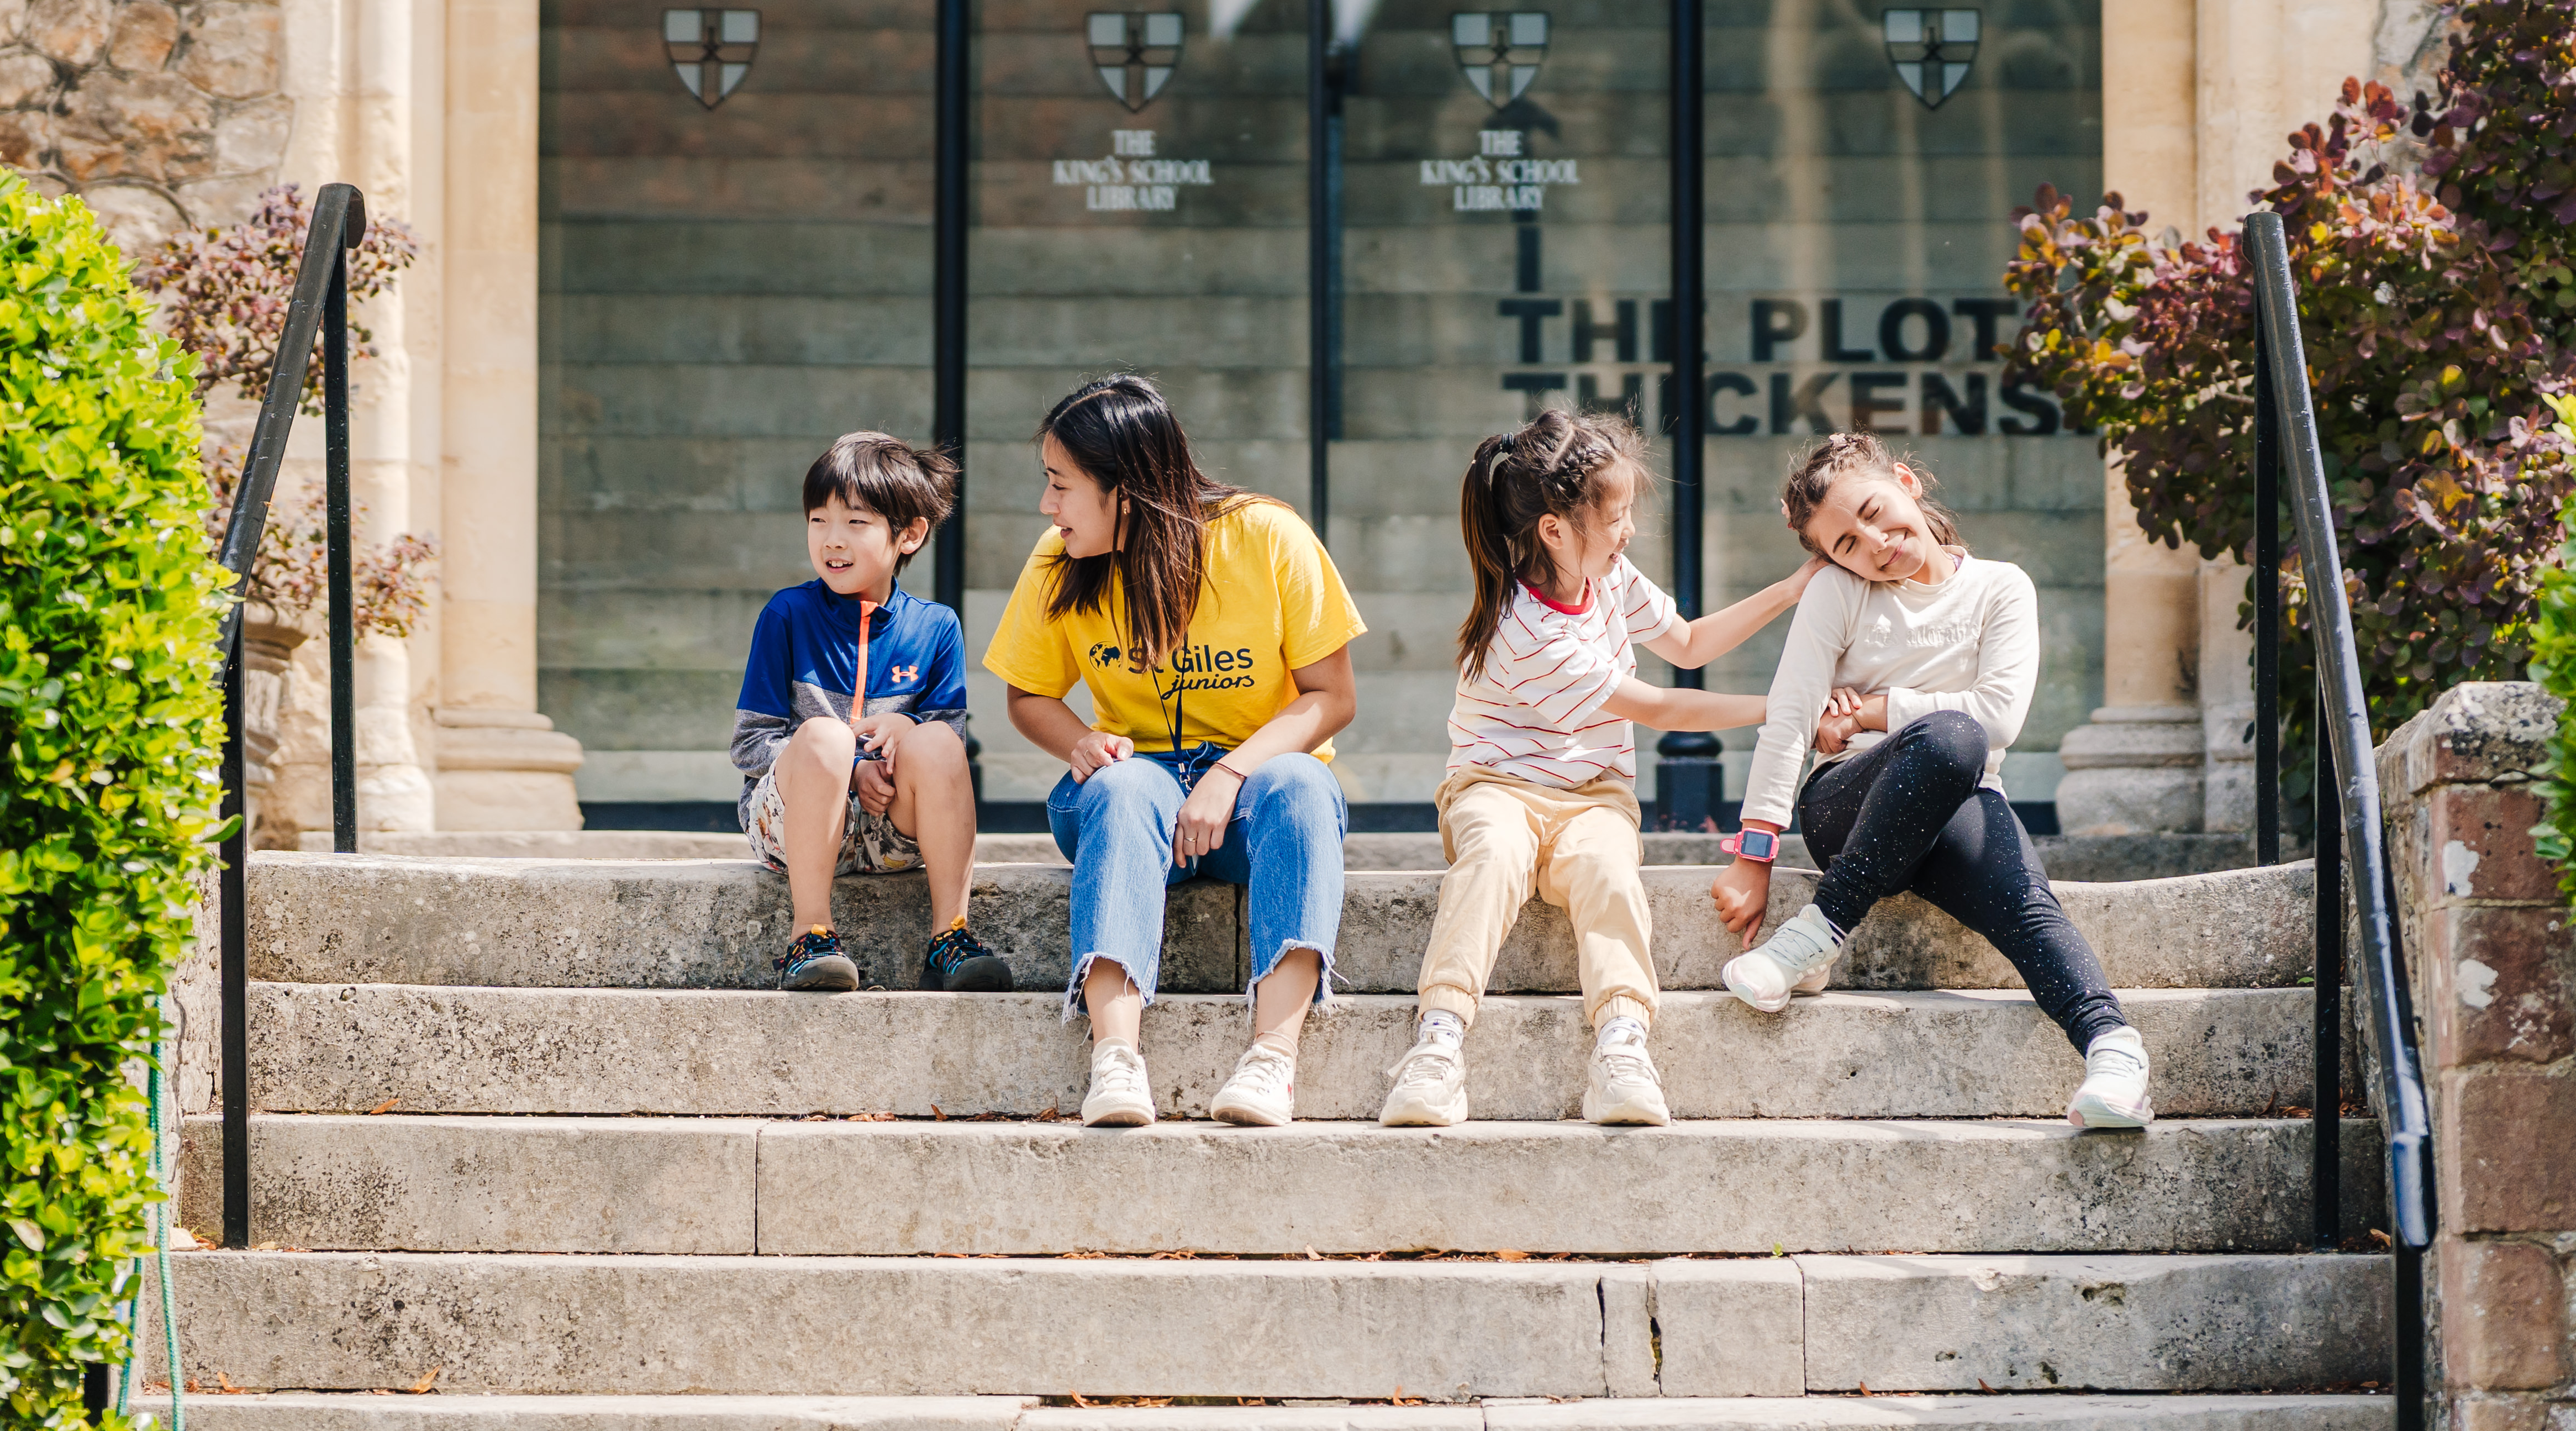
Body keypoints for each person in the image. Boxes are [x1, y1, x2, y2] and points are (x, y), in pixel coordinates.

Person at [1710, 430, 2153, 1132]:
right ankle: (1817, 933)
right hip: (1845, 802)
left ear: (1907, 483)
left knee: (2021, 891)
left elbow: (1999, 717)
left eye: (1873, 511)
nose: (1872, 542)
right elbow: (1791, 717)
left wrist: (1877, 708)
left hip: (1962, 800)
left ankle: (2115, 1056)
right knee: (1952, 734)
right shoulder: (1838, 593)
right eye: (1846, 544)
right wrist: (1754, 851)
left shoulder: (1999, 587)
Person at [1382, 409, 1812, 1129]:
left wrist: (1793, 587)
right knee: (1493, 853)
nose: (1628, 530)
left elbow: (1687, 641)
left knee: (1608, 870)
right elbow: (1664, 708)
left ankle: (1620, 1046)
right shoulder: (1523, 627)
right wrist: (1788, 707)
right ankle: (1438, 1041)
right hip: (1495, 784)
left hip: (1593, 797)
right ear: (1553, 527)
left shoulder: (1607, 574)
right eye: (1615, 515)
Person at [986, 373, 1363, 1129]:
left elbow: (1330, 696)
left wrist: (1229, 772)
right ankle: (1115, 1059)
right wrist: (1082, 739)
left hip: (1253, 791)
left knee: (1299, 783)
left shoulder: (1266, 534)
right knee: (1123, 788)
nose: (1046, 505)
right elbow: (1027, 695)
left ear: (1122, 486)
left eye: (1060, 484)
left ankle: (1271, 1060)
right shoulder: (1057, 560)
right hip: (1139, 788)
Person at [730, 429, 1011, 995]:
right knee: (825, 738)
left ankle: (949, 937)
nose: (832, 540)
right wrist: (850, 765)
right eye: (818, 520)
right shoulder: (787, 615)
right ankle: (809, 934)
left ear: (908, 535)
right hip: (792, 827)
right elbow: (751, 743)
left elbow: (948, 744)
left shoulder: (935, 627)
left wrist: (908, 729)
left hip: (893, 834)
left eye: (855, 523)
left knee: (935, 741)